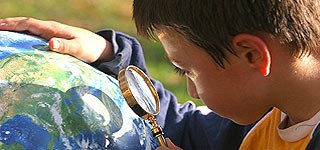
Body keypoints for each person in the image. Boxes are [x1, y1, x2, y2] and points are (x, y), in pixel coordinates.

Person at [1, 0, 320, 149]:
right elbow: (178, 126)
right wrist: (109, 56)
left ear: (252, 55)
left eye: (187, 70)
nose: (191, 91)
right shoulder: (261, 116)